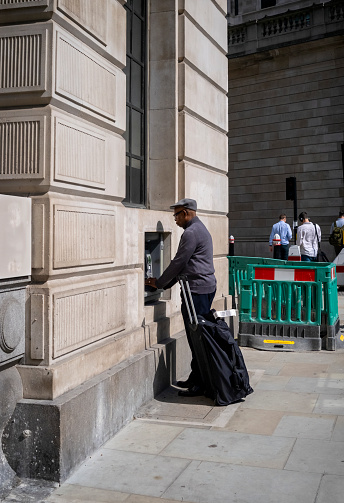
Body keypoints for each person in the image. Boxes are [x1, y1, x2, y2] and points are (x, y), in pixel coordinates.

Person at [145, 198, 216, 397]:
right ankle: (196, 377)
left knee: (197, 337)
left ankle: (200, 384)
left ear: (186, 213)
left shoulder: (191, 233)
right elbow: (183, 266)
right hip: (203, 288)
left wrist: (158, 283)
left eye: (176, 215)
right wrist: (163, 284)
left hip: (197, 291)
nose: (175, 219)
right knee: (197, 336)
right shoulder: (200, 228)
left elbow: (178, 263)